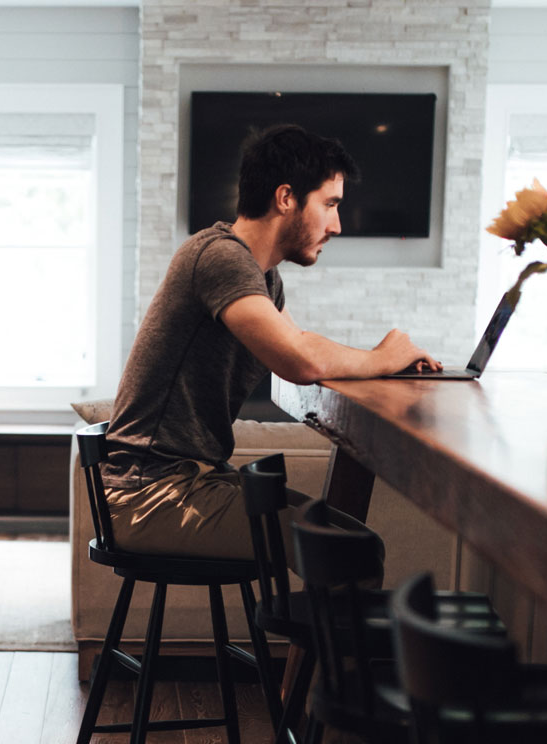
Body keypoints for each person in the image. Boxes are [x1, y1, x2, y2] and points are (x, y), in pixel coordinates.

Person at [99, 123, 441, 561]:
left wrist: (385, 360)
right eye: (330, 204)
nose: (337, 224)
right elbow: (300, 362)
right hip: (151, 497)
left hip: (191, 481)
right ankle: (324, 632)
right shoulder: (219, 257)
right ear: (285, 198)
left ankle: (318, 631)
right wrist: (381, 358)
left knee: (350, 536)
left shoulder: (259, 272)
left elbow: (296, 340)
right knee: (350, 551)